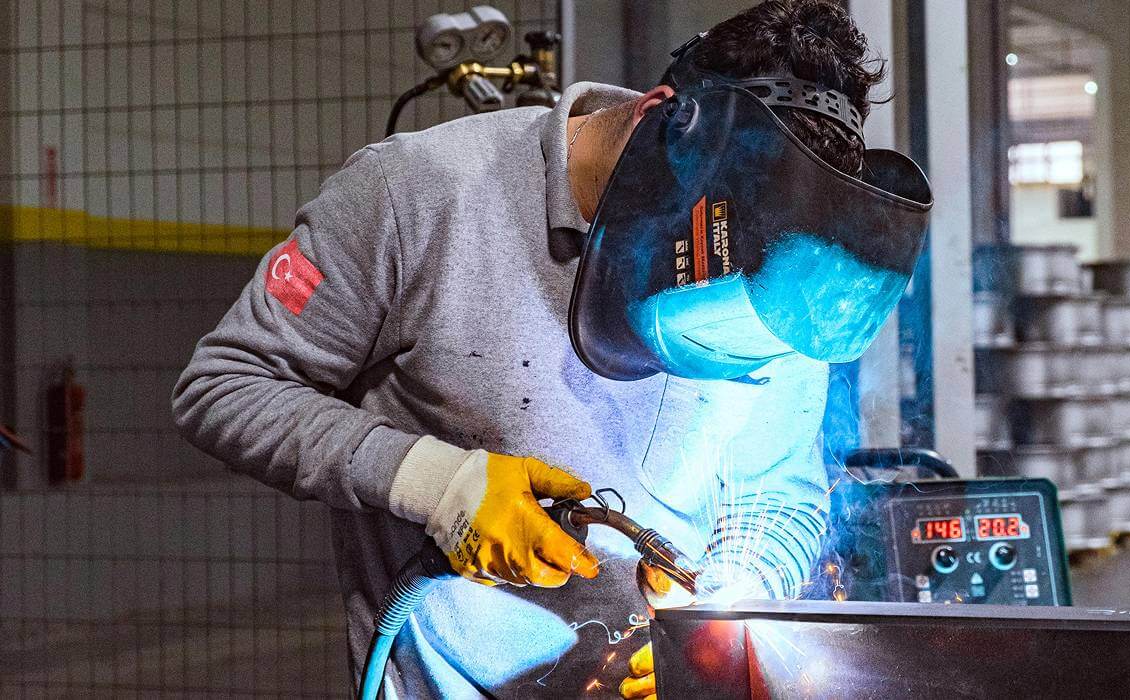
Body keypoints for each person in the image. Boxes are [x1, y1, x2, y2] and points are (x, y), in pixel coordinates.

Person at [173, 1, 928, 697]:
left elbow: (778, 498)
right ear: (661, 121)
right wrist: (438, 483)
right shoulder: (416, 194)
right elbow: (226, 385)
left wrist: (715, 626)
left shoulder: (785, 267)